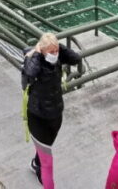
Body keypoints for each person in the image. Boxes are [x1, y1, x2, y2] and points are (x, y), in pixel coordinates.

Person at [22, 32, 82, 188]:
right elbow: (30, 73)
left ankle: (36, 163)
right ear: (42, 51)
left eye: (56, 51)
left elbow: (76, 58)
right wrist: (36, 52)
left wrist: (58, 46)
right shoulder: (36, 61)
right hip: (37, 116)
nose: (54, 54)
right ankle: (43, 173)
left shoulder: (58, 57)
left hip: (55, 115)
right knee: (48, 164)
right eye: (51, 51)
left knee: (47, 147)